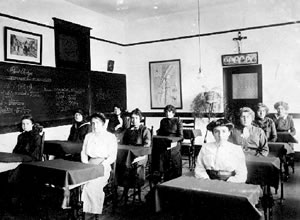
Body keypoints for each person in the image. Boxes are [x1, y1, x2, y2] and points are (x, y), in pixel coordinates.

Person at [80, 112, 118, 219]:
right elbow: (83, 152)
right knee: (77, 183)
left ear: (103, 124)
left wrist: (102, 165)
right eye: (92, 123)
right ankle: (81, 208)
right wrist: (86, 163)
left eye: (97, 123)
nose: (94, 125)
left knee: (92, 184)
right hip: (89, 165)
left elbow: (112, 156)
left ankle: (93, 212)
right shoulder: (88, 136)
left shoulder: (110, 137)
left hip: (103, 166)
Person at [120, 108, 151, 199]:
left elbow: (146, 146)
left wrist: (139, 154)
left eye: (136, 118)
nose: (133, 120)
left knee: (131, 164)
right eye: (132, 118)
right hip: (128, 155)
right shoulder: (127, 130)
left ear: (140, 119)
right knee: (120, 163)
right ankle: (124, 186)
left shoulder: (145, 130)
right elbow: (123, 143)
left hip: (140, 155)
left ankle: (135, 185)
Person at [269, 101, 296, 178]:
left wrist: (290, 135)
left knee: (285, 152)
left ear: (285, 110)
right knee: (276, 152)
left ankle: (286, 171)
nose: (280, 111)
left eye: (282, 109)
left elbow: (293, 130)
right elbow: (270, 129)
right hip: (276, 138)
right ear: (276, 109)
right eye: (278, 109)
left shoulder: (289, 118)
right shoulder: (273, 118)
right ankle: (275, 169)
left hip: (286, 139)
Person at [156, 105, 183, 180]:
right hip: (164, 142)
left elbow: (181, 137)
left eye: (170, 111)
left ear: (173, 113)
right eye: (166, 111)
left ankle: (174, 177)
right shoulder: (163, 121)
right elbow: (160, 133)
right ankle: (161, 173)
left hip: (175, 143)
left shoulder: (178, 121)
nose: (168, 113)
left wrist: (174, 142)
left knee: (172, 158)